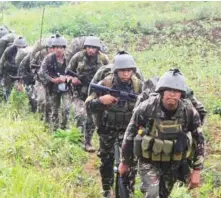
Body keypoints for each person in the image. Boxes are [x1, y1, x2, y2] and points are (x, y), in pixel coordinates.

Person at [119, 69, 205, 198]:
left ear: (181, 94)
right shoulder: (145, 108)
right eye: (169, 90)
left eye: (176, 91)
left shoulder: (189, 112)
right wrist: (125, 162)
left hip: (173, 163)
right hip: (148, 161)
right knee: (152, 193)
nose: (172, 95)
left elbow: (199, 140)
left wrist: (197, 170)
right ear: (161, 91)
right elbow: (130, 134)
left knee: (164, 194)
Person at [85, 53, 143, 197]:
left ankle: (127, 190)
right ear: (116, 71)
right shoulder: (105, 84)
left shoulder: (138, 85)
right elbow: (88, 105)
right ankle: (106, 188)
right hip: (107, 129)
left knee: (130, 162)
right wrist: (100, 101)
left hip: (128, 130)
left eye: (129, 70)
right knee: (106, 160)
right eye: (122, 70)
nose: (126, 73)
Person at [67, 36, 110, 152]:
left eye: (93, 48)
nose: (90, 50)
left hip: (95, 92)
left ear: (98, 49)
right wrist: (72, 79)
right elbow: (68, 71)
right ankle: (78, 140)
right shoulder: (78, 57)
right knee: (81, 115)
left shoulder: (103, 59)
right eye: (88, 47)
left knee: (93, 118)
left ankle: (88, 142)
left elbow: (110, 73)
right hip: (79, 91)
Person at [39, 35, 79, 132]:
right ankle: (55, 130)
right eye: (56, 47)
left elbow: (76, 72)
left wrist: (68, 78)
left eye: (61, 47)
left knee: (66, 108)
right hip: (53, 87)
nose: (58, 50)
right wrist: (53, 79)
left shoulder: (69, 59)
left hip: (67, 87)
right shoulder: (49, 58)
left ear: (64, 48)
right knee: (54, 110)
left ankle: (64, 127)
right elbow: (41, 72)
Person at [31, 35, 56, 121]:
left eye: (54, 48)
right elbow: (32, 66)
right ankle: (39, 119)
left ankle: (47, 122)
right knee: (41, 100)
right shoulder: (40, 54)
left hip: (52, 83)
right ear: (47, 48)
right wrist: (37, 72)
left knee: (49, 104)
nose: (52, 50)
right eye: (50, 48)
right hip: (40, 81)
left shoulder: (58, 57)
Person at [0, 36, 28, 102]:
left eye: (22, 47)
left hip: (18, 74)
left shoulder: (26, 52)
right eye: (18, 47)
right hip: (8, 73)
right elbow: (2, 61)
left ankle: (18, 103)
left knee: (19, 90)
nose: (20, 48)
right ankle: (5, 102)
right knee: (7, 90)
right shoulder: (9, 50)